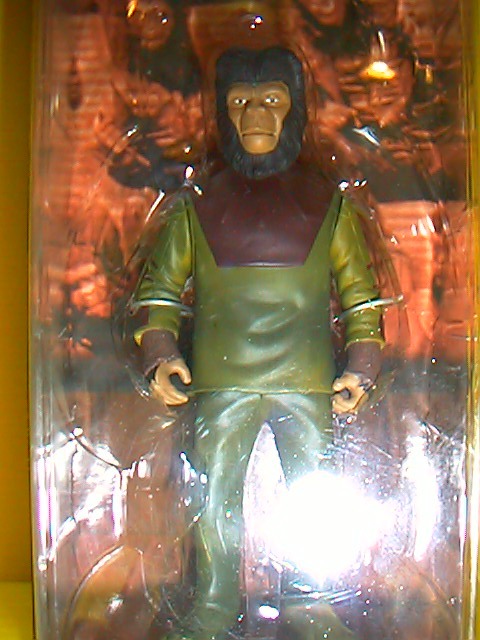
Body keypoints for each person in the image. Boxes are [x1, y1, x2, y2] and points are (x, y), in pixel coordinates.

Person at [132, 46, 384, 640]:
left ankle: (312, 599)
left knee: (314, 490)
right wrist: (160, 353)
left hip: (307, 382)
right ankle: (215, 603)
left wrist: (363, 366)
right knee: (214, 497)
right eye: (240, 102)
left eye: (271, 100)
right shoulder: (196, 206)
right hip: (222, 382)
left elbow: (361, 298)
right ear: (222, 111)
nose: (255, 117)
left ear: (294, 109)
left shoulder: (330, 205)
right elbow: (159, 290)